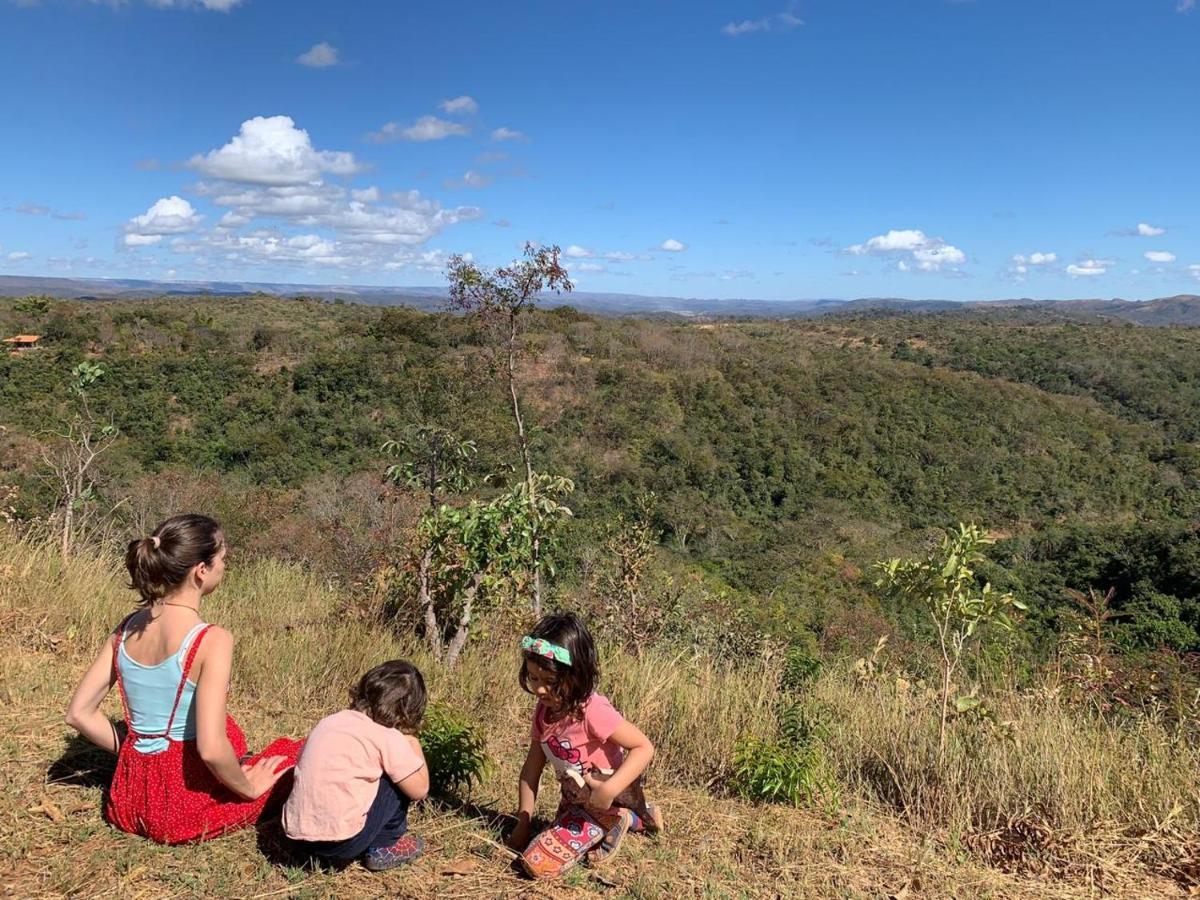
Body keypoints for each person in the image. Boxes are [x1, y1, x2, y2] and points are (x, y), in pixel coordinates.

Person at [64, 514, 303, 844]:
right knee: (294, 755)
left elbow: (79, 714)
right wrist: (250, 789)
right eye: (222, 559)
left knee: (231, 732)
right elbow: (210, 748)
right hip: (179, 808)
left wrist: (135, 753)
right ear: (201, 570)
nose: (224, 567)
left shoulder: (128, 628)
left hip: (125, 801)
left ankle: (237, 767)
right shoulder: (211, 640)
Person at [509, 612, 664, 879]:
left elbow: (643, 747)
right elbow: (530, 772)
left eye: (550, 682)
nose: (540, 690)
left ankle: (619, 817)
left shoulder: (592, 711)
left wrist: (609, 789)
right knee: (546, 840)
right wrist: (524, 821)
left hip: (604, 797)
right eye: (534, 678)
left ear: (576, 676)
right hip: (575, 801)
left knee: (537, 862)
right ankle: (641, 816)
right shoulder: (543, 713)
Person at [283, 660, 429, 871]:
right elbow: (420, 790)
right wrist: (413, 745)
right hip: (341, 845)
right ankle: (384, 846)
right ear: (408, 711)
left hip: (296, 836)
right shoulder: (388, 737)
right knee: (396, 779)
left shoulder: (330, 721)